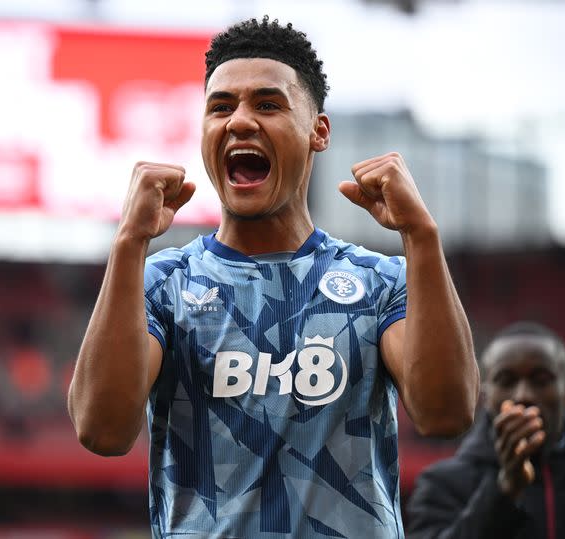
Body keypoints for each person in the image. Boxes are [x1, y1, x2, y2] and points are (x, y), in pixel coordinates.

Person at [68, 16, 479, 538]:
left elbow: (446, 414)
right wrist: (128, 244)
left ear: (318, 132)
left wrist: (422, 236)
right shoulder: (163, 283)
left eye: (267, 104)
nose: (239, 121)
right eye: (221, 107)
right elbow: (101, 430)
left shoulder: (380, 282)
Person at [406, 321, 565, 539]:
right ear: (486, 396)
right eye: (506, 380)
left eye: (541, 380)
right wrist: (502, 492)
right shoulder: (442, 484)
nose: (524, 395)